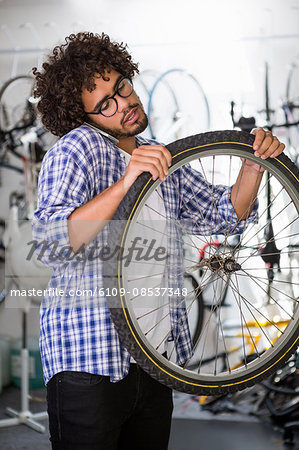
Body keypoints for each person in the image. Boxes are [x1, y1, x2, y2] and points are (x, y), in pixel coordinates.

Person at [32, 32, 285, 450]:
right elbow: (50, 242)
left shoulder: (159, 154)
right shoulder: (75, 150)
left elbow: (224, 215)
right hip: (88, 361)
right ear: (84, 116)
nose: (123, 104)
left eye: (122, 88)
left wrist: (253, 167)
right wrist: (128, 179)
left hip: (152, 357)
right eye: (105, 104)